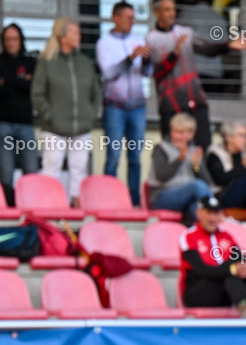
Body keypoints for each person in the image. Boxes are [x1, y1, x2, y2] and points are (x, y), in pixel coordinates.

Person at [147, 0, 246, 151]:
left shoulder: (185, 33)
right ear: (157, 12)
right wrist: (173, 55)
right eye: (167, 10)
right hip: (171, 105)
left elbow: (207, 48)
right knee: (173, 151)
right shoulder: (151, 39)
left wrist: (228, 45)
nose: (172, 14)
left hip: (196, 102)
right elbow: (156, 72)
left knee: (203, 148)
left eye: (173, 10)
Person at [31, 17, 102, 206]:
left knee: (79, 170)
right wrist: (50, 116)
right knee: (51, 168)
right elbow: (37, 94)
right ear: (62, 37)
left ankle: (77, 212)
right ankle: (48, 210)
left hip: (81, 127)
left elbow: (96, 93)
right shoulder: (47, 62)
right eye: (74, 33)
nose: (79, 36)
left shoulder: (84, 62)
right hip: (54, 128)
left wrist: (90, 115)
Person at [178, 195, 246, 317]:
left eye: (216, 213)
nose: (212, 218)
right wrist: (232, 270)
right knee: (231, 272)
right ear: (199, 213)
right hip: (198, 292)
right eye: (209, 213)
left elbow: (242, 258)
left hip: (222, 293)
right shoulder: (188, 236)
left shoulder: (226, 236)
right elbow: (201, 270)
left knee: (245, 268)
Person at [97, 1, 152, 207]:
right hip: (115, 107)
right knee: (113, 157)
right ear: (116, 18)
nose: (132, 22)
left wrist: (146, 60)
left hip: (138, 107)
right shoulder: (104, 43)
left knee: (135, 157)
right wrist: (132, 57)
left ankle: (134, 202)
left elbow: (147, 73)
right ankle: (108, 202)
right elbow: (109, 73)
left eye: (133, 18)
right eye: (128, 18)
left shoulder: (138, 40)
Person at [0, 23, 38, 205]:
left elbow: (32, 89)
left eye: (14, 39)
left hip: (26, 124)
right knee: (5, 174)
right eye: (7, 39)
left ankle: (31, 211)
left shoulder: (30, 62)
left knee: (31, 173)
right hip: (3, 124)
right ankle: (7, 213)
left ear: (21, 40)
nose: (11, 43)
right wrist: (21, 82)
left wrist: (6, 80)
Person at [147, 112, 213, 224]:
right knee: (197, 186)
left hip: (188, 197)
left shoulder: (194, 150)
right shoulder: (161, 148)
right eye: (175, 131)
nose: (177, 136)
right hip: (162, 196)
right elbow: (161, 176)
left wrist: (196, 167)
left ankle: (207, 231)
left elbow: (207, 183)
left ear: (191, 134)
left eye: (182, 133)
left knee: (196, 207)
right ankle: (217, 216)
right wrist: (179, 159)